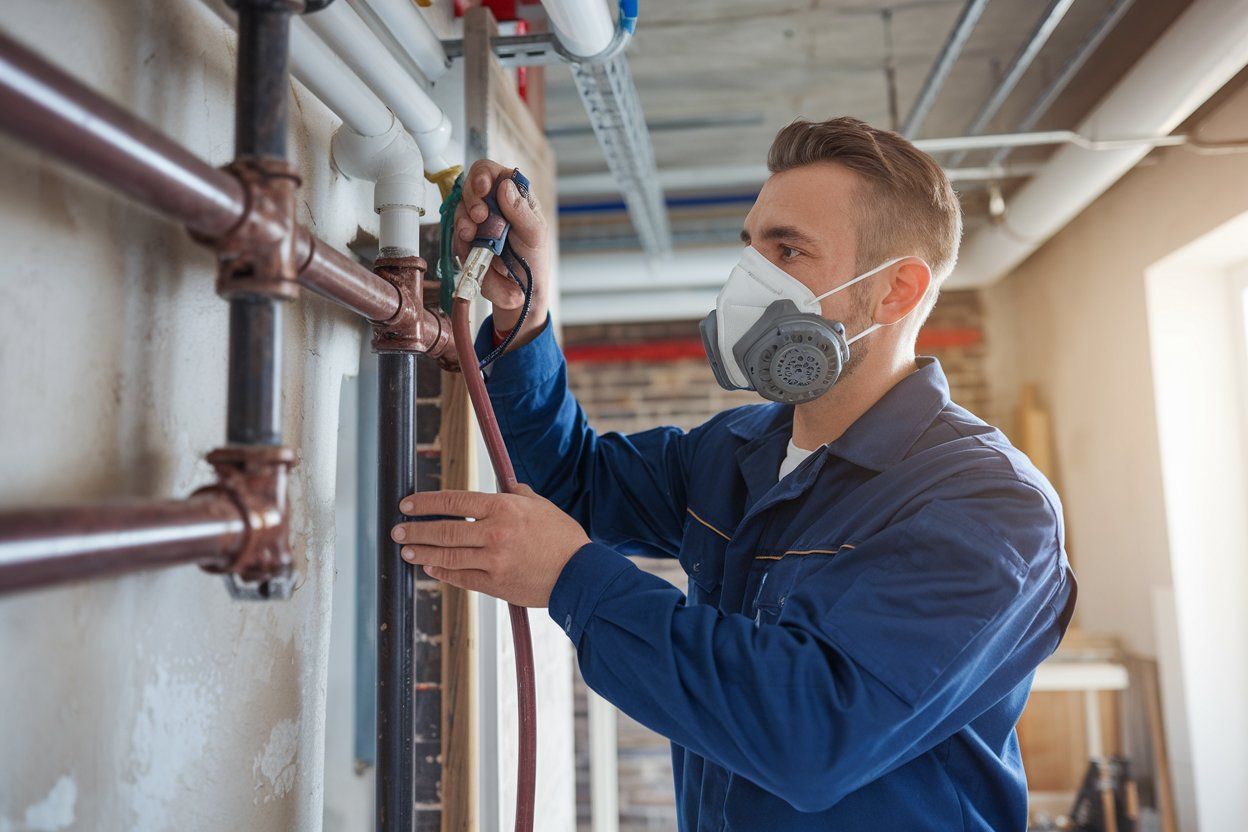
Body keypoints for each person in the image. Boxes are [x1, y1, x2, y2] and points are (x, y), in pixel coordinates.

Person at [390, 116, 1076, 831]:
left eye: (789, 250)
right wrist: (521, 315)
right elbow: (578, 485)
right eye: (752, 246)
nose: (751, 276)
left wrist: (573, 579)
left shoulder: (990, 509)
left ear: (898, 290)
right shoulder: (738, 450)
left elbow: (808, 734)